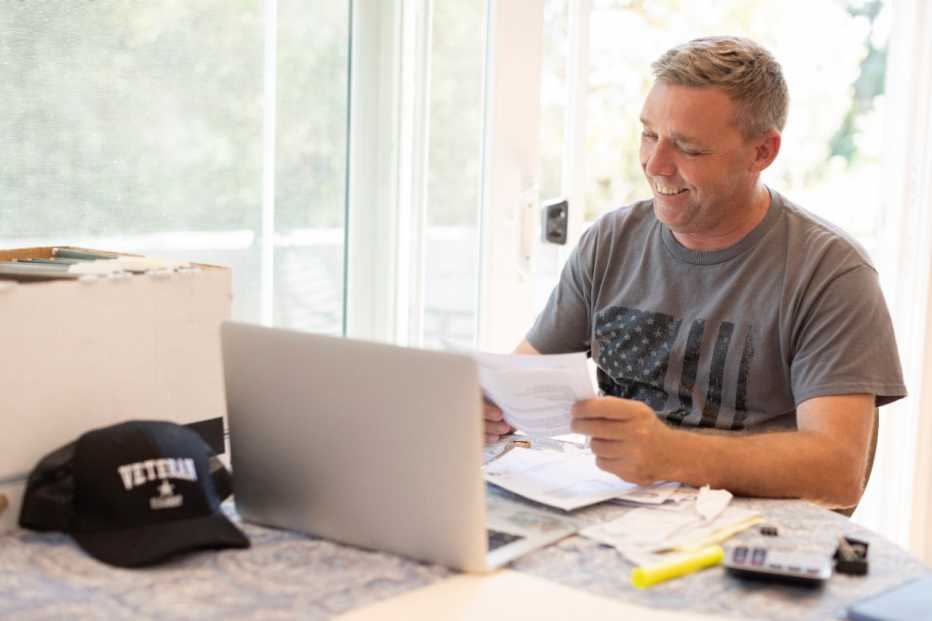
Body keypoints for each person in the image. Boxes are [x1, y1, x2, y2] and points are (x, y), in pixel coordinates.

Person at [483, 36, 906, 510]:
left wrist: (671, 454)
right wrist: (487, 408)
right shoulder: (611, 241)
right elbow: (518, 382)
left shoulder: (831, 272)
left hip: (756, 542)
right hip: (621, 516)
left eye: (688, 148)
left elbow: (837, 471)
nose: (656, 164)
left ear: (762, 152)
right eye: (648, 134)